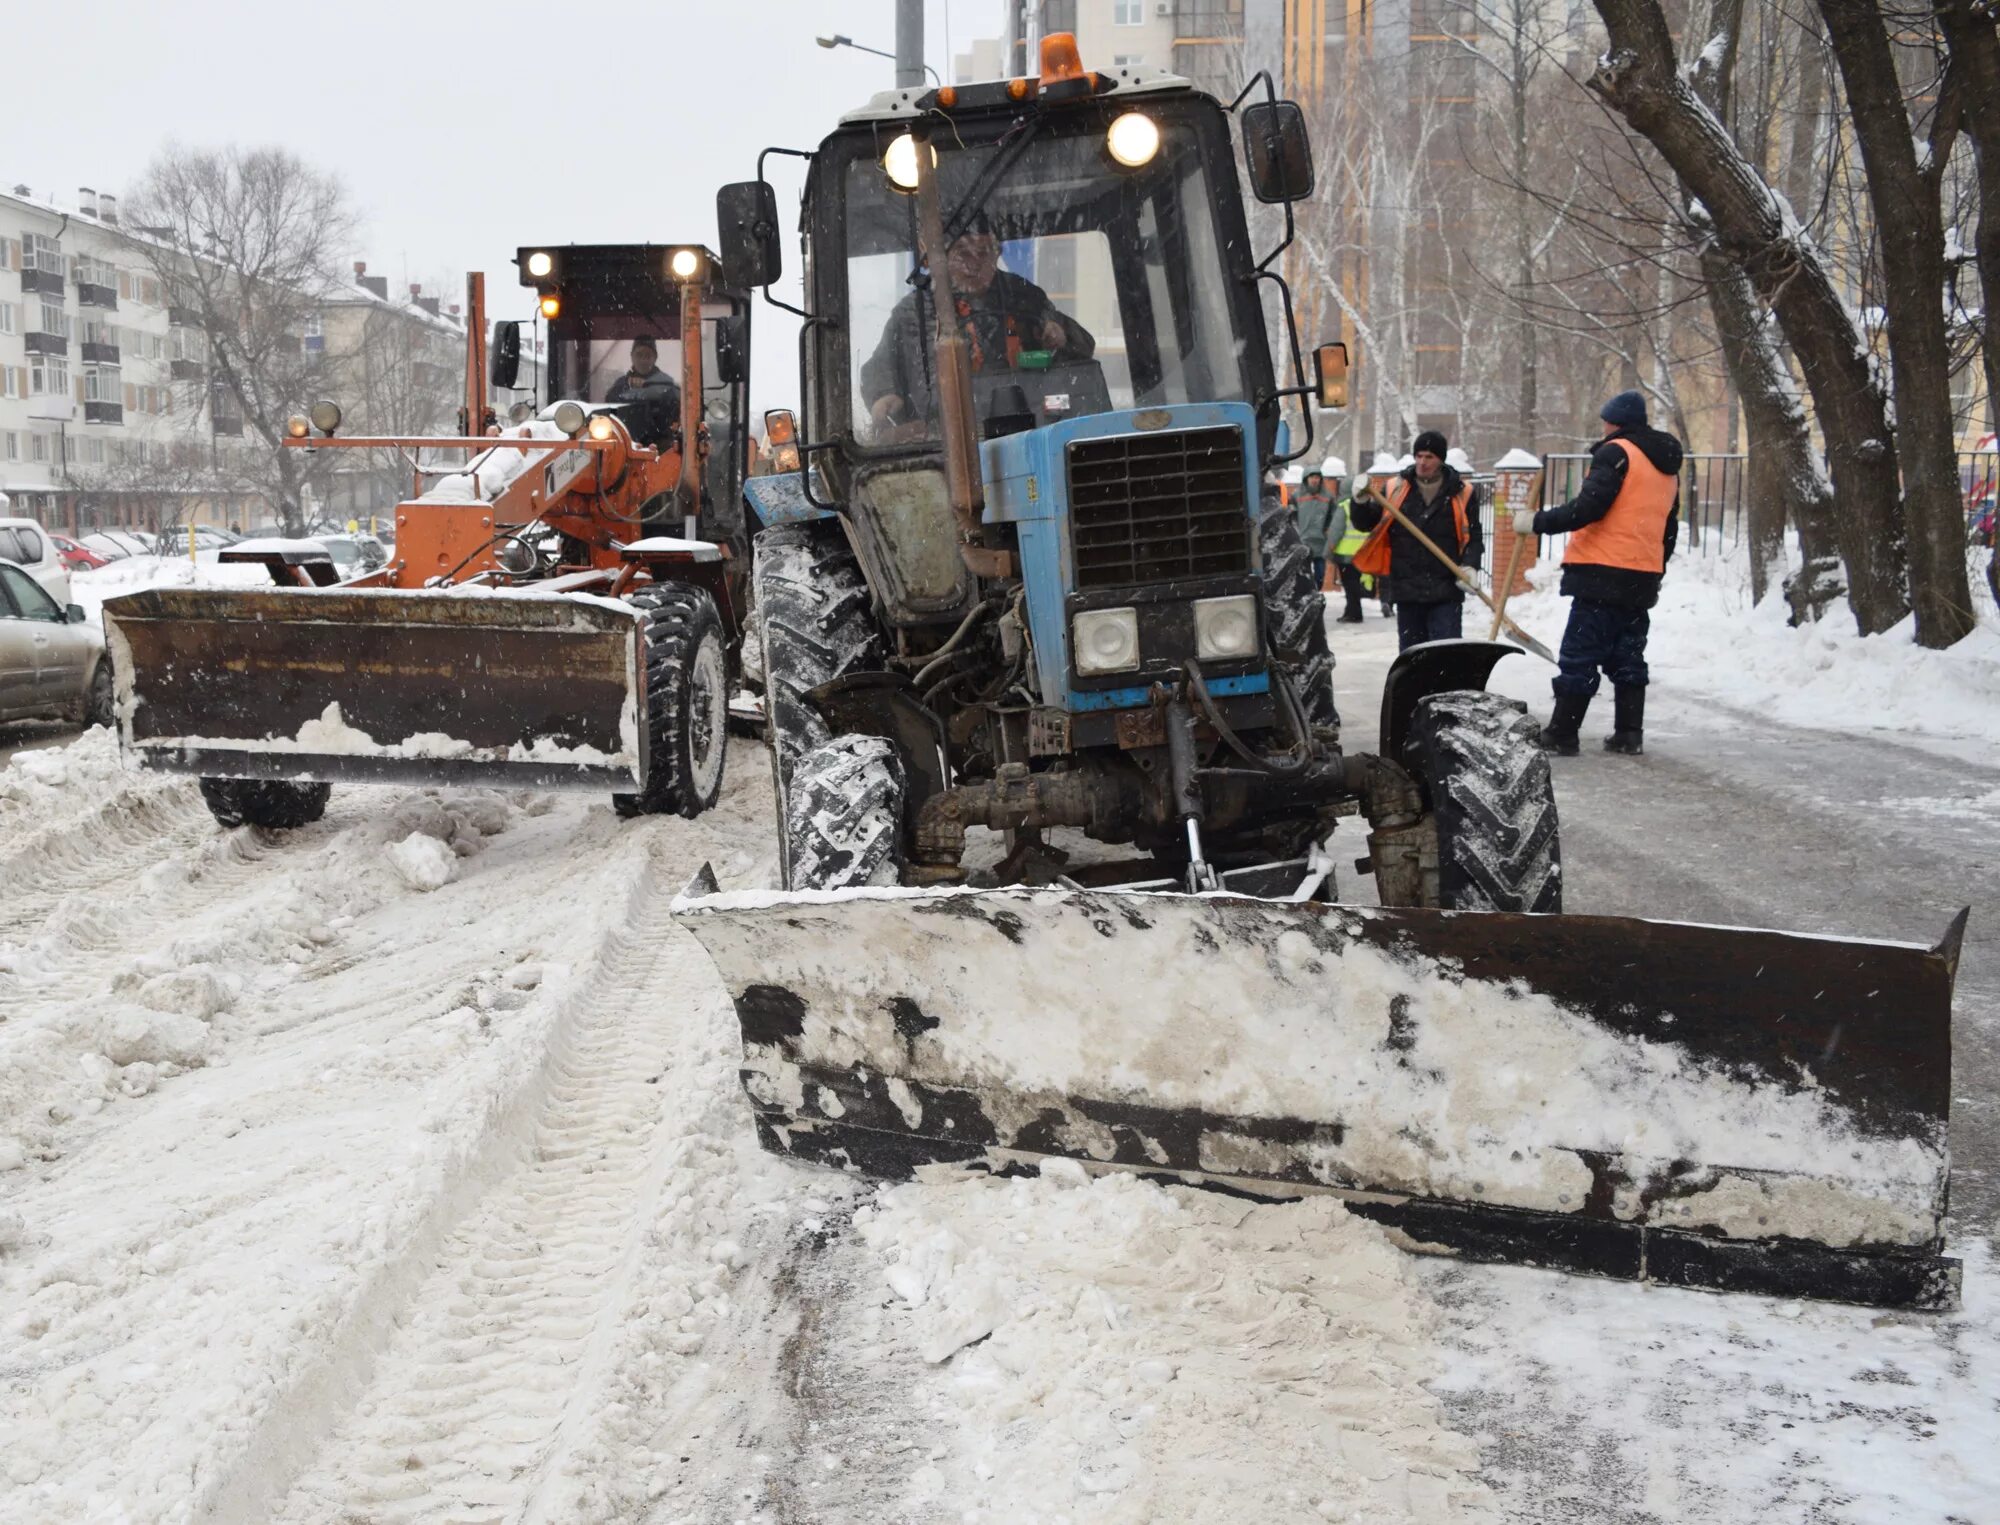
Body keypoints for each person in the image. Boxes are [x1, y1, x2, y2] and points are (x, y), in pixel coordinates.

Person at [1514, 389, 1682, 756]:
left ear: (1614, 422)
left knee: (1580, 653)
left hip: (1601, 574)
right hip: (1641, 578)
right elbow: (1670, 528)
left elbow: (1588, 508)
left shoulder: (1617, 452)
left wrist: (1538, 521)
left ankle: (1562, 733)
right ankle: (1629, 734)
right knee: (1628, 656)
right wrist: (1654, 567)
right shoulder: (1666, 467)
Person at [860, 223, 1094, 433]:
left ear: (996, 254)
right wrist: (884, 395)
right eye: (963, 254)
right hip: (941, 439)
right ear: (939, 257)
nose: (973, 265)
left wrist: (1061, 332)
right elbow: (881, 367)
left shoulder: (1023, 295)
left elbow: (1083, 347)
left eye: (983, 254)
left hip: (1030, 427)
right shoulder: (914, 312)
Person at [1349, 431, 1483, 650]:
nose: (1422, 462)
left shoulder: (1462, 492)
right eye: (1419, 456)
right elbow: (1366, 524)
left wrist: (1470, 565)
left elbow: (1474, 537)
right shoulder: (1395, 489)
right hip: (1407, 590)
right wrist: (1360, 501)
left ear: (1441, 459)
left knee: (1446, 656)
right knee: (1413, 659)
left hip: (1446, 589)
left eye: (1429, 457)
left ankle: (1446, 686)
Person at [606, 337, 681, 446]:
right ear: (632, 356)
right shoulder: (620, 384)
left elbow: (673, 409)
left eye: (648, 355)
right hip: (624, 446)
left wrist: (647, 390)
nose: (643, 360)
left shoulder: (667, 384)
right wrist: (629, 388)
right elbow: (609, 405)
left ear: (655, 358)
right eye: (639, 355)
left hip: (660, 448)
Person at [1293, 462, 1338, 590]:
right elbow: (1291, 516)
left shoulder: (1328, 497)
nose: (1314, 480)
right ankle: (1306, 593)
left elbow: (1333, 515)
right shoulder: (1297, 496)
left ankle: (1317, 592)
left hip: (1319, 542)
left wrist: (1326, 529)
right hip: (1302, 541)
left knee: (1320, 574)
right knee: (1303, 574)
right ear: (1306, 479)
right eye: (1312, 477)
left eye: (1317, 477)